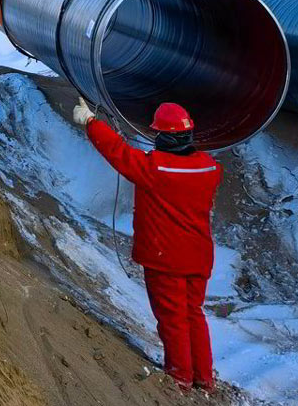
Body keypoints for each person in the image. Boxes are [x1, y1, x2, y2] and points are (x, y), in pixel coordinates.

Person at [72, 99, 222, 393]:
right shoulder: (210, 168)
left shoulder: (155, 169)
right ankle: (204, 378)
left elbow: (118, 152)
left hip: (166, 259)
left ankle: (179, 378)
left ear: (163, 137)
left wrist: (91, 122)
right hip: (199, 257)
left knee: (172, 319)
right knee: (194, 313)